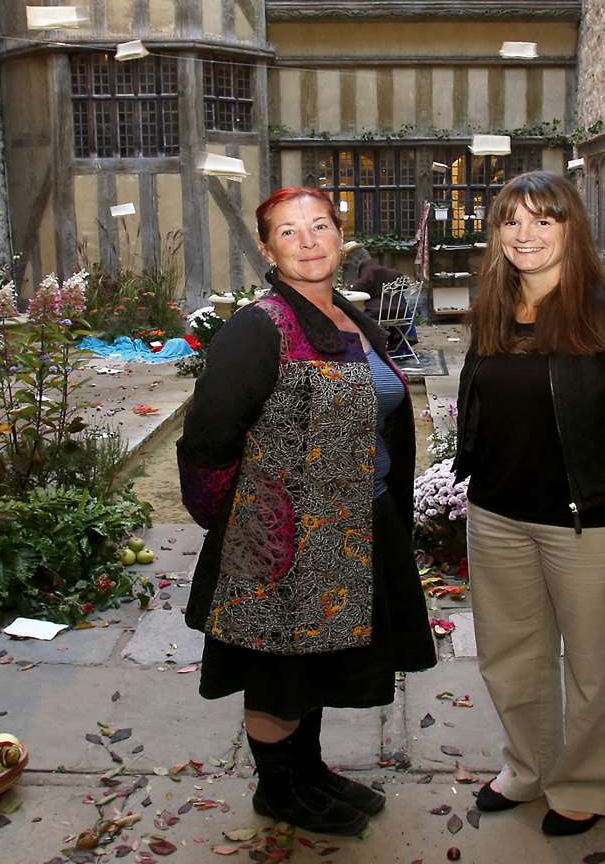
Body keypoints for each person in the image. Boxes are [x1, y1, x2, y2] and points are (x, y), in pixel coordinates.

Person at [177, 187, 436, 836]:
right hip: (284, 539)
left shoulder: (350, 317)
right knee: (276, 675)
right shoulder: (257, 329)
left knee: (312, 667)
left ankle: (309, 773)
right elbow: (206, 443)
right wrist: (246, 527)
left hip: (354, 526)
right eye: (289, 233)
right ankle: (277, 790)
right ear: (267, 250)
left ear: (339, 235)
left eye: (320, 225)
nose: (309, 240)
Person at [452, 170, 605, 836]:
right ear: (496, 234)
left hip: (592, 524)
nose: (525, 234)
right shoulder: (494, 305)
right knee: (510, 655)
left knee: (596, 666)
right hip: (498, 516)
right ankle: (529, 767)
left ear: (572, 228)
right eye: (511, 221)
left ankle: (587, 783)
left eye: (543, 219)